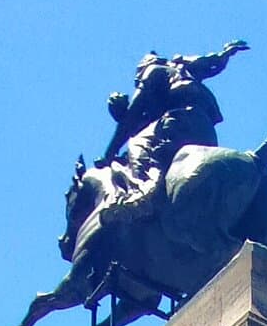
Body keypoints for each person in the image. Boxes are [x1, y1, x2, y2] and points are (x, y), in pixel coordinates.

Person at [96, 41, 250, 222]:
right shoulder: (184, 69)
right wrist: (226, 53)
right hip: (205, 129)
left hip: (179, 122)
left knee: (137, 144)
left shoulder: (154, 72)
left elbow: (132, 118)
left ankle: (142, 193)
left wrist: (109, 154)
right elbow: (210, 63)